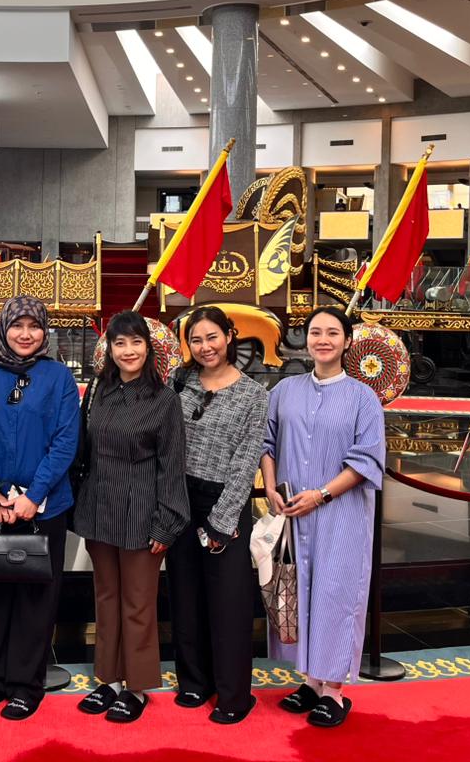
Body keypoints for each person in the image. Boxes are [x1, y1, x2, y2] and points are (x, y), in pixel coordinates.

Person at [260, 305, 386, 729]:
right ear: (306, 339)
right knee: (300, 593)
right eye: (316, 332)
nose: (323, 340)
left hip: (341, 516)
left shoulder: (363, 398)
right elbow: (266, 442)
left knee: (336, 594)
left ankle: (334, 690)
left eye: (333, 332)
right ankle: (311, 681)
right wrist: (272, 488)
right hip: (293, 514)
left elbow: (367, 460)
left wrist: (322, 495)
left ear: (347, 341)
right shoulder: (285, 391)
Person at [0, 295, 80, 721]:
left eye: (34, 326)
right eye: (17, 325)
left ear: (45, 331)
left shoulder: (58, 377)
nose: (25, 334)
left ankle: (27, 686)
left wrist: (33, 496)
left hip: (43, 509)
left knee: (36, 598)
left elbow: (65, 441)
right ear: (3, 329)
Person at [72, 311, 189, 724]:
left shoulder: (165, 399)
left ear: (148, 348)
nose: (127, 351)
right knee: (106, 599)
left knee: (137, 603)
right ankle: (109, 679)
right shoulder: (98, 391)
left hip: (142, 515)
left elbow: (171, 467)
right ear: (109, 349)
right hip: (99, 511)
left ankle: (136, 687)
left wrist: (166, 522)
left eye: (135, 342)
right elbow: (84, 452)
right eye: (119, 343)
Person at [167, 306, 269, 724]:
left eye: (212, 337)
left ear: (229, 336)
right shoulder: (179, 380)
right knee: (184, 595)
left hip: (223, 502)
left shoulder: (253, 394)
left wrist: (222, 522)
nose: (205, 346)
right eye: (196, 339)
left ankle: (233, 695)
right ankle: (194, 682)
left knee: (228, 603)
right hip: (179, 499)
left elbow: (246, 462)